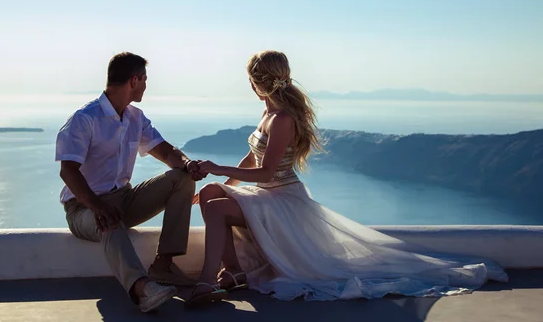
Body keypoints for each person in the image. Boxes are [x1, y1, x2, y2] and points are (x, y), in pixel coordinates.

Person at [189, 50, 508, 306]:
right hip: (268, 198)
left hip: (284, 200)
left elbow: (267, 173)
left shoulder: (283, 119)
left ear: (258, 82)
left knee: (216, 207)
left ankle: (208, 281)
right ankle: (232, 273)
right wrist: (220, 182)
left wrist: (218, 168)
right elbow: (251, 159)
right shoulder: (268, 113)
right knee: (210, 194)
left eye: (250, 80)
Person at [56, 52, 205, 313]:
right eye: (145, 80)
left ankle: (163, 265)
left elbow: (167, 152)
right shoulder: (84, 119)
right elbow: (68, 171)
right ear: (134, 81)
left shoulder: (136, 118)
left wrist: (188, 163)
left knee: (180, 179)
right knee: (108, 219)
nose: (147, 86)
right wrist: (96, 205)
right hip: (83, 208)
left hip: (124, 199)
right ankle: (142, 289)